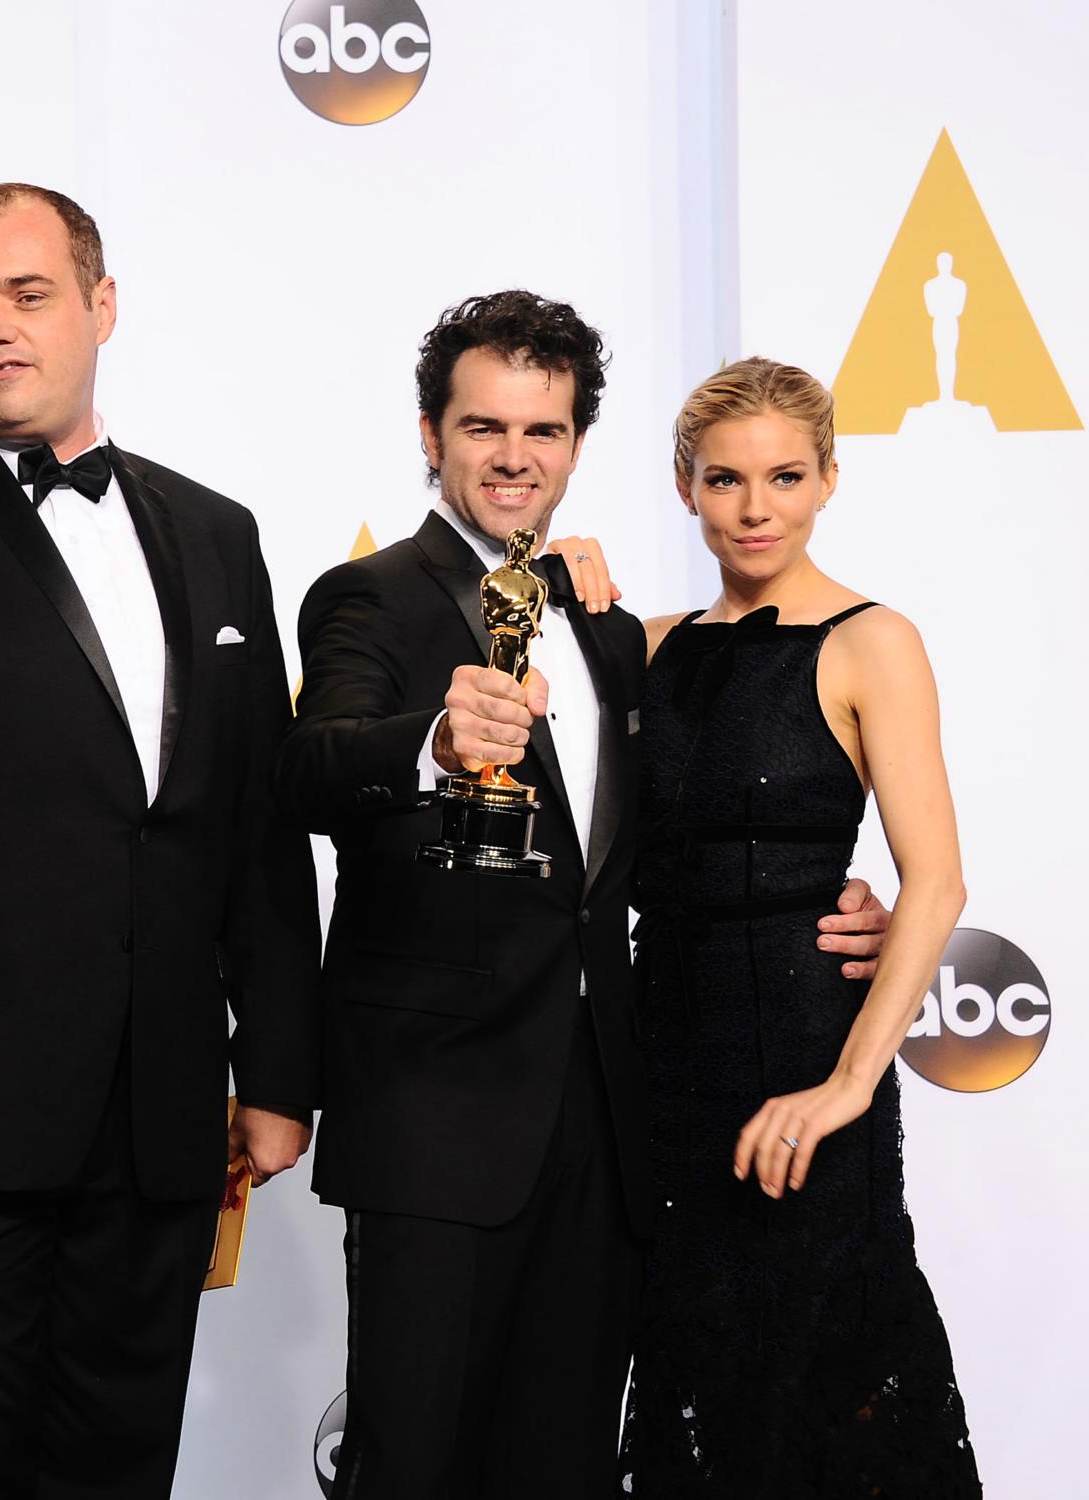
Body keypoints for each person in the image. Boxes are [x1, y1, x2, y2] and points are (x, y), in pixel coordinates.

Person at [275, 291, 890, 1497]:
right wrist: (434, 745)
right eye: (484, 428)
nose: (513, 458)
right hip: (435, 1119)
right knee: (411, 1463)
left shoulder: (606, 627)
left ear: (575, 447)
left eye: (543, 432)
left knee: (563, 1466)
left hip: (614, 1120)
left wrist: (829, 898)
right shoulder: (370, 598)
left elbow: (652, 845)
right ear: (429, 435)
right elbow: (305, 767)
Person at [0, 182, 321, 1498]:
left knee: (117, 1472)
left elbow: (247, 821)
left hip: (150, 1116)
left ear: (100, 305)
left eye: (27, 297)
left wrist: (276, 1067)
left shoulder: (214, 533)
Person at [618, 357, 980, 1496]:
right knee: (695, 1385)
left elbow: (935, 883)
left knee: (829, 1389)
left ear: (828, 479)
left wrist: (849, 1085)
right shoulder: (639, 645)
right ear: (686, 488)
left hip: (808, 1061)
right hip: (661, 1069)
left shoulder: (875, 639)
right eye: (726, 480)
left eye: (785, 476)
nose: (756, 507)